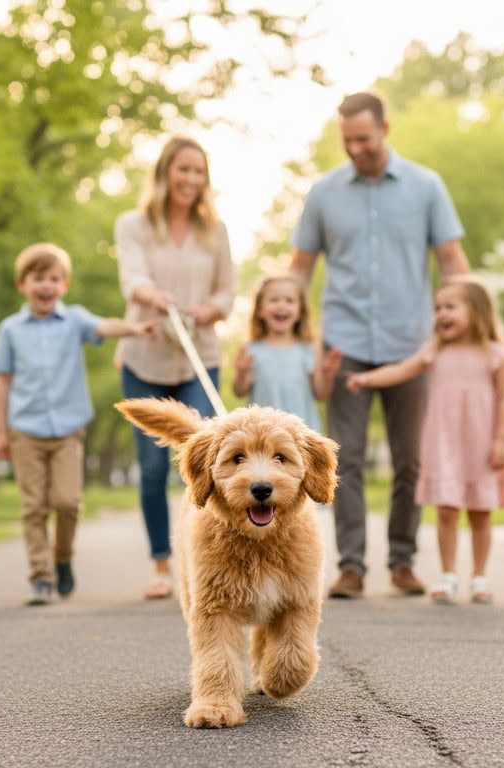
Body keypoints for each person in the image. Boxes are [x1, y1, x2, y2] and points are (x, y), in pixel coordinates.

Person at [289, 91, 471, 598]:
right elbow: (300, 270)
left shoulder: (425, 186)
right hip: (343, 345)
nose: (355, 150)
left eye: (363, 140)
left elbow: (453, 261)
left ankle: (403, 560)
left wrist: (463, 321)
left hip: (411, 344)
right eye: (347, 141)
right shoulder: (324, 193)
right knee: (343, 459)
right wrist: (290, 332)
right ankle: (350, 566)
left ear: (385, 129)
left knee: (410, 457)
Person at [0, 243, 155, 606]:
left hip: (67, 431)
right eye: (38, 279)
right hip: (24, 431)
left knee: (67, 503)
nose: (45, 286)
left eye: (53, 278)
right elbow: (2, 381)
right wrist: (0, 433)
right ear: (23, 284)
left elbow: (105, 325)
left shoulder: (75, 320)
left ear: (64, 285)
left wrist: (136, 328)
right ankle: (41, 578)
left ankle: (62, 558)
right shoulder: (10, 330)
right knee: (33, 507)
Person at [346, 276, 504, 605]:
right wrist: (366, 378)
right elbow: (400, 371)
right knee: (446, 510)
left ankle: (480, 577)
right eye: (438, 308)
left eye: (450, 307)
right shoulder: (435, 353)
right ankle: (448, 575)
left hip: (482, 444)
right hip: (446, 445)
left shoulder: (495, 354)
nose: (441, 314)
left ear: (478, 312)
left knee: (481, 512)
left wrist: (501, 440)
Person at [115, 135, 236, 600]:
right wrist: (152, 296)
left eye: (198, 171)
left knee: (207, 458)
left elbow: (228, 292)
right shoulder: (134, 224)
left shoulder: (215, 231)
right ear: (165, 172)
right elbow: (132, 276)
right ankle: (162, 565)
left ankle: (206, 551)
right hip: (145, 355)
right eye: (182, 169)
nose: (190, 179)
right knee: (151, 469)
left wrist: (210, 310)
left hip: (198, 355)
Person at [231, 275, 343, 431]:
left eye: (289, 301)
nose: (281, 306)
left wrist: (329, 376)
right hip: (264, 434)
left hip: (302, 434)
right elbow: (239, 391)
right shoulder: (251, 350)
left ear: (300, 312)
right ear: (260, 311)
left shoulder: (309, 349)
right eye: (274, 300)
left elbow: (321, 395)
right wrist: (242, 373)